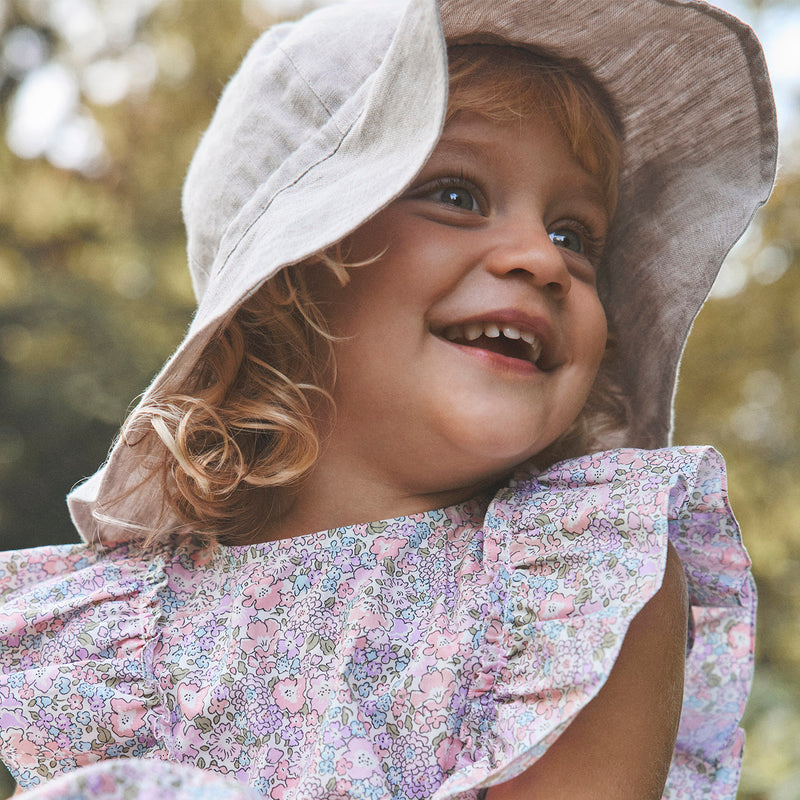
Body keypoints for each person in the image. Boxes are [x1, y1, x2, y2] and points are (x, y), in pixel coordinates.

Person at [0, 0, 777, 798]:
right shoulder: (121, 640)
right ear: (293, 269)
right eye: (458, 195)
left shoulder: (582, 585)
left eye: (576, 236)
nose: (542, 259)